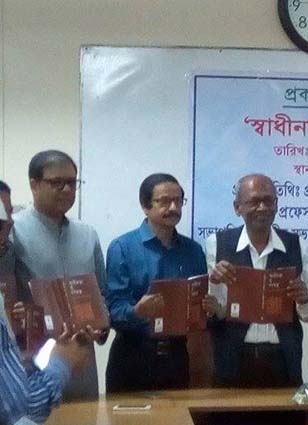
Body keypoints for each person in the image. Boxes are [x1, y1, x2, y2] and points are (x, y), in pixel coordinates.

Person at [206, 174, 308, 388]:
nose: (262, 207)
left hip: (283, 359)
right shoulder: (217, 244)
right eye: (254, 201)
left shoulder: (297, 245)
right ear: (237, 207)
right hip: (232, 359)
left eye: (268, 201)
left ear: (276, 205)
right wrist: (214, 282)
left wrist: (304, 300)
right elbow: (214, 311)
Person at [104, 173, 215, 392]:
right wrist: (137, 311)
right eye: (164, 201)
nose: (173, 207)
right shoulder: (122, 247)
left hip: (178, 356)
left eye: (178, 201)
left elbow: (198, 306)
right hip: (132, 356)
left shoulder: (193, 250)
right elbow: (114, 309)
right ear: (145, 206)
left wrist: (207, 309)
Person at [11, 150, 107, 400]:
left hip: (82, 364)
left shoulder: (88, 235)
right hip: (32, 366)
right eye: (57, 182)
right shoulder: (13, 231)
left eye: (72, 183)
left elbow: (103, 297)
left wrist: (101, 327)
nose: (67, 190)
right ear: (34, 184)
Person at [0, 179, 92, 425]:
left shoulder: (87, 234)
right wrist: (62, 362)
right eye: (2, 220)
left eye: (9, 214)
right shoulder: (17, 244)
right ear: (35, 184)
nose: (10, 224)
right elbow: (20, 409)